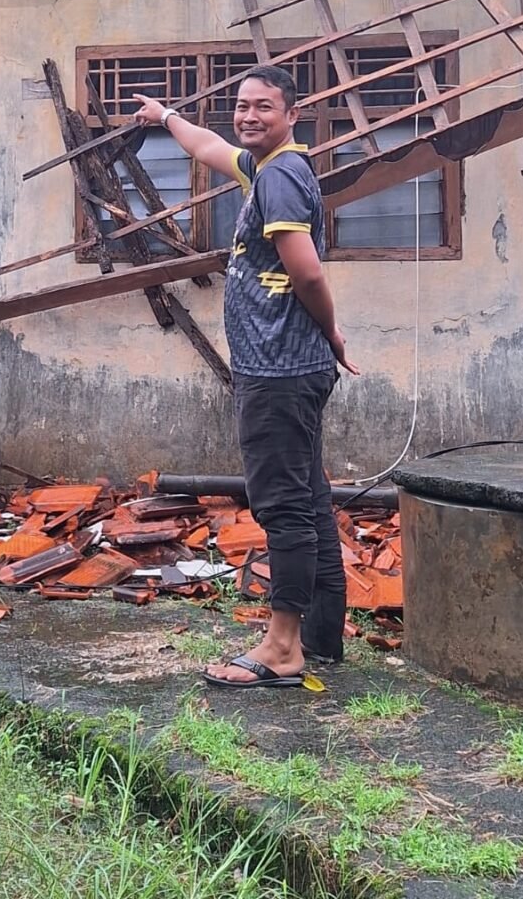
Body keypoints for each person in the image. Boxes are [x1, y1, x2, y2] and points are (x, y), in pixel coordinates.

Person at [132, 65, 358, 688]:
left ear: (291, 115)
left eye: (264, 106)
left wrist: (332, 332)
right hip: (290, 367)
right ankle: (320, 637)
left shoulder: (281, 177)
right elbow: (209, 147)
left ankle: (282, 649)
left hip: (279, 371)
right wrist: (165, 118)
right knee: (309, 499)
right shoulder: (271, 167)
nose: (249, 115)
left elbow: (307, 273)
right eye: (242, 105)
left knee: (283, 505)